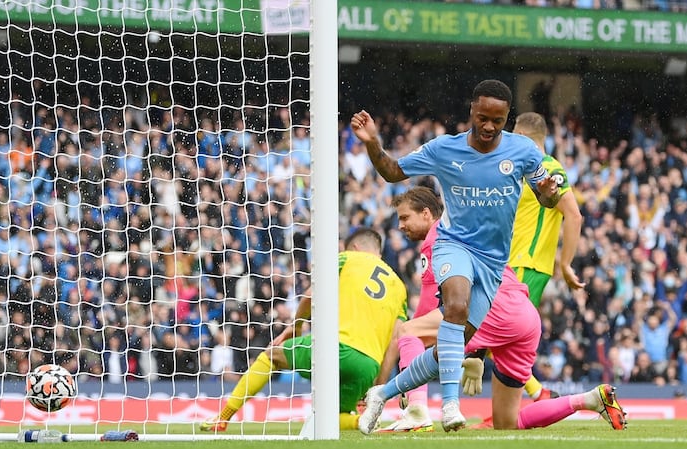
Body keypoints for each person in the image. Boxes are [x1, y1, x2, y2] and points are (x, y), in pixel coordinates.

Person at [351, 79, 561, 433]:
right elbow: (391, 171)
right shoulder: (444, 149)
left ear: (507, 117)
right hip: (454, 244)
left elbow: (548, 198)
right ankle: (450, 405)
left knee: (452, 350)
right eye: (483, 117)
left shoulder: (524, 151)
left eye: (498, 119)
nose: (489, 126)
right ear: (472, 112)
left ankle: (381, 393)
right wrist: (373, 144)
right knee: (456, 306)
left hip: (493, 263)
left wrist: (548, 193)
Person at [376, 186, 626, 432]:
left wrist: (408, 379)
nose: (401, 225)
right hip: (525, 317)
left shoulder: (437, 238)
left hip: (494, 311)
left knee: (409, 331)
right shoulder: (469, 230)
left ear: (427, 213)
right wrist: (476, 353)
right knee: (507, 422)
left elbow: (430, 313)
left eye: (405, 217)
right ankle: (590, 399)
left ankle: (416, 411)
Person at [198, 227, 407, 431]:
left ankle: (222, 417)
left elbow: (310, 295)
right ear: (378, 253)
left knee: (272, 356)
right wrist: (378, 386)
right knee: (333, 419)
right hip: (368, 365)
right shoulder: (399, 287)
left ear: (354, 246)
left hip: (337, 347)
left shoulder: (348, 258)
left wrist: (295, 327)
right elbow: (395, 341)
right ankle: (359, 422)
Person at [501, 112, 586, 404]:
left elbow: (574, 215)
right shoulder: (523, 169)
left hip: (527, 263)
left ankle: (537, 395)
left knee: (496, 331)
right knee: (497, 335)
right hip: (510, 264)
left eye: (513, 134)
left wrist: (565, 263)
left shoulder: (548, 167)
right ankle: (536, 395)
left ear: (523, 137)